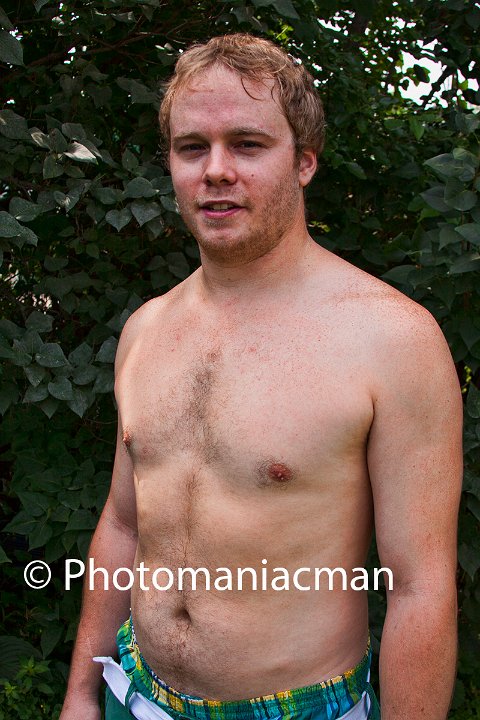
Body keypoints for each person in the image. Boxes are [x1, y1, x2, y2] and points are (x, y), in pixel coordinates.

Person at [60, 33, 463, 720]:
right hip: (136, 694)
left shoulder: (392, 339)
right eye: (192, 147)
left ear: (304, 161)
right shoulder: (146, 330)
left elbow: (419, 589)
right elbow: (124, 524)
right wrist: (80, 693)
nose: (216, 170)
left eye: (247, 145)